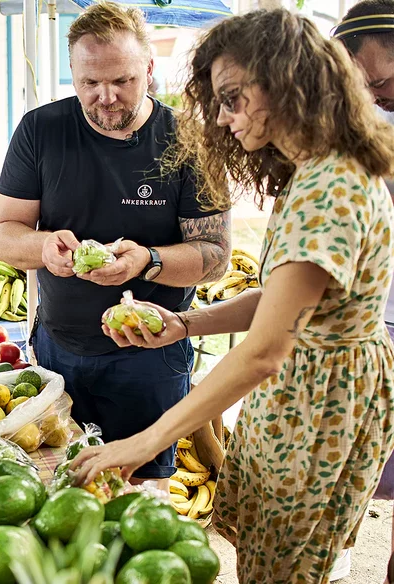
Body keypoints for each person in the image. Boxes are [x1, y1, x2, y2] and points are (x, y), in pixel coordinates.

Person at [70, 9, 394, 584]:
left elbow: (266, 349)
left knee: (282, 570)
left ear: (286, 82)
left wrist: (144, 441)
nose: (222, 117)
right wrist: (184, 323)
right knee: (264, 554)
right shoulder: (314, 171)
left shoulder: (331, 187)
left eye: (233, 97)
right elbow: (284, 297)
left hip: (319, 406)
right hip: (302, 395)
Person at [0, 2, 231, 487]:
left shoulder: (190, 139)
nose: (106, 97)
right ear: (73, 74)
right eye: (89, 83)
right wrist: (43, 249)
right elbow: (4, 233)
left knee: (142, 495)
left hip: (150, 354)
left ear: (148, 68)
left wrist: (148, 261)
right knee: (60, 488)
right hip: (58, 348)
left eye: (122, 81)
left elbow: (215, 258)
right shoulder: (40, 130)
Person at [334, 2, 394, 579]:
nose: (378, 93)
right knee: (353, 478)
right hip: (369, 324)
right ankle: (344, 556)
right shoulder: (349, 134)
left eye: (385, 80)